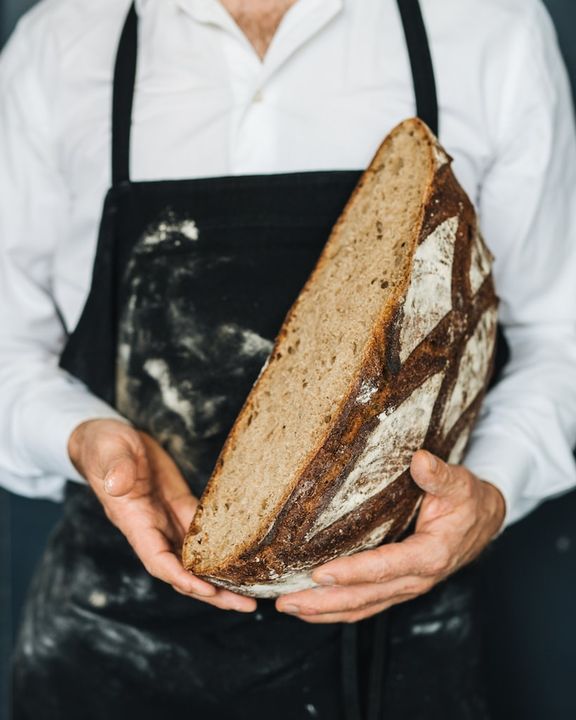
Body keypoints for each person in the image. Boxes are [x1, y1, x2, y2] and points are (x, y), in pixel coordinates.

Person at [1, 0, 575, 718]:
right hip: (108, 643)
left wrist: (491, 491)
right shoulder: (63, 40)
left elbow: (562, 335)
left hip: (394, 657)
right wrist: (82, 437)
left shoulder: (488, 27)